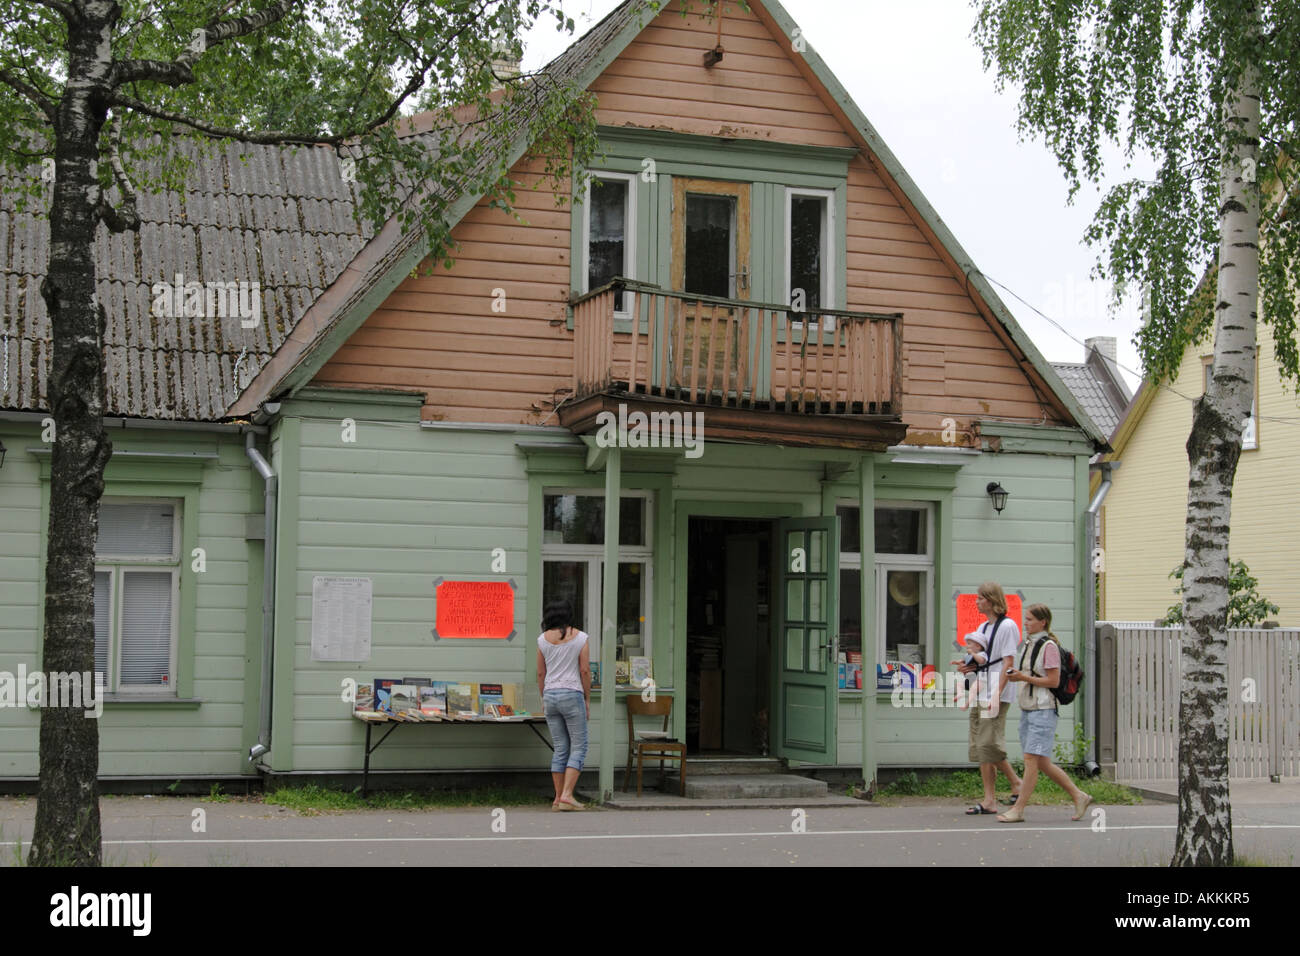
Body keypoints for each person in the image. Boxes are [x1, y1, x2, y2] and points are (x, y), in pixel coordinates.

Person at [998, 603, 1093, 823]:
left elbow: (1053, 680)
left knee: (1031, 759)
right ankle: (1079, 796)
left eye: (1030, 619)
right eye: (1025, 619)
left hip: (1043, 710)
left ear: (1043, 622)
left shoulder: (1048, 646)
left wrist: (1022, 677)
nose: (1026, 622)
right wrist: (1020, 675)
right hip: (1029, 710)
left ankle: (1018, 809)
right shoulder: (1030, 644)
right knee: (1041, 762)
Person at [959, 582, 1023, 815]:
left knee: (988, 742)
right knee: (979, 746)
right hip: (983, 688)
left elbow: (1008, 662)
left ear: (992, 600)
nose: (977, 601)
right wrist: (967, 667)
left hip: (996, 691)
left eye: (981, 598)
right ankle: (989, 800)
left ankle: (1016, 782)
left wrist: (997, 694)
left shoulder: (1007, 626)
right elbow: (984, 659)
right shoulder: (984, 627)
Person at [536, 600, 591, 811]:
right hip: (572, 693)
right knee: (579, 746)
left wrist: (543, 697)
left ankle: (558, 798)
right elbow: (584, 671)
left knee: (560, 748)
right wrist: (587, 699)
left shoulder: (542, 639)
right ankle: (568, 795)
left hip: (550, 694)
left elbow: (541, 673)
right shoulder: (581, 638)